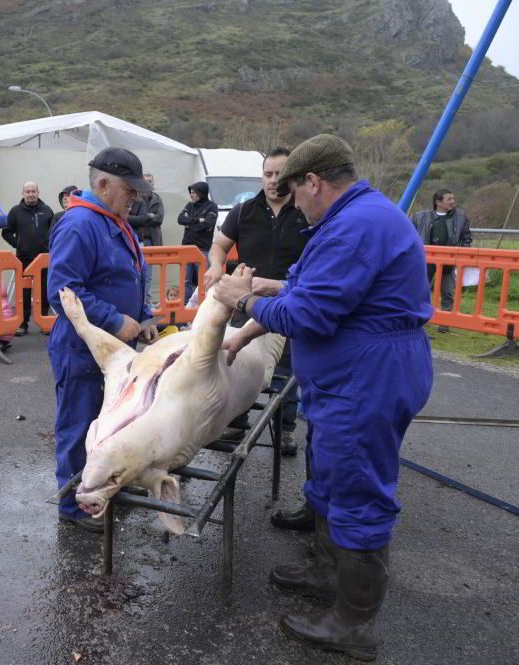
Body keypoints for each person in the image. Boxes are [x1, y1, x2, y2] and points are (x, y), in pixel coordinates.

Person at [213, 134, 433, 660]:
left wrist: (241, 297)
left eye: (294, 190)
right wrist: (249, 323)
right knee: (333, 469)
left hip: (366, 379)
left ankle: (353, 624)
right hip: (350, 377)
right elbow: (305, 286)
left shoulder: (354, 229)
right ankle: (326, 568)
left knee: (357, 487)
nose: (291, 201)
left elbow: (310, 313)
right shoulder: (354, 218)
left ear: (314, 181)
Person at [47, 148, 155, 533]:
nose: (136, 197)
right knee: (79, 425)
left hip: (113, 348)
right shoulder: (80, 225)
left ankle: (99, 491)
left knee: (107, 423)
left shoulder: (113, 220)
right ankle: (73, 505)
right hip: (82, 348)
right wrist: (113, 320)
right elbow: (62, 291)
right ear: (104, 184)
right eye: (130, 190)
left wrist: (143, 319)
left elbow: (131, 275)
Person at [210, 147, 309, 470]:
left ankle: (285, 428)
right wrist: (215, 266)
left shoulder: (306, 210)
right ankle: (235, 422)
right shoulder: (243, 210)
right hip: (246, 300)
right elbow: (219, 245)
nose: (273, 180)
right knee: (238, 359)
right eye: (268, 174)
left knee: (288, 370)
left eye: (280, 173)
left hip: (290, 299)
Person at [411, 188, 472, 333]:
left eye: (453, 198)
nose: (453, 201)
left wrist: (461, 254)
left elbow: (467, 237)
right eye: (449, 199)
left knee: (447, 292)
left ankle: (444, 324)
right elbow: (409, 236)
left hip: (449, 261)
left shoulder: (460, 217)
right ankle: (421, 320)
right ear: (438, 202)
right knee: (421, 291)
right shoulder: (420, 217)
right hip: (426, 261)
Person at [2, 181, 54, 336]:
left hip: (43, 259)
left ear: (38, 192)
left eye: (33, 191)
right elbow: (6, 232)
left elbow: (54, 232)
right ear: (23, 193)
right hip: (24, 259)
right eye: (28, 191)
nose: (31, 194)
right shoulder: (15, 211)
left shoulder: (47, 211)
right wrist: (18, 244)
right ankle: (23, 324)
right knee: (23, 293)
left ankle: (44, 322)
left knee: (44, 292)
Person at [177, 181, 218, 303]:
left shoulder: (212, 206)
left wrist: (190, 224)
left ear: (201, 192)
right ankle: (185, 306)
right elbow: (180, 219)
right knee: (185, 280)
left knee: (204, 279)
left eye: (194, 192)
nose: (191, 195)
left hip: (202, 249)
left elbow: (208, 223)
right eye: (191, 192)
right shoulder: (190, 205)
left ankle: (204, 304)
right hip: (186, 248)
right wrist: (197, 220)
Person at [127, 173, 165, 304]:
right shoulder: (133, 198)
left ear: (153, 183)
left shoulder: (157, 199)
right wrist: (146, 217)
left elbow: (159, 219)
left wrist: (142, 219)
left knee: (148, 273)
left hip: (151, 240)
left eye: (150, 181)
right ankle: (136, 299)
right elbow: (126, 218)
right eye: (145, 180)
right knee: (134, 271)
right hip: (136, 239)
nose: (148, 183)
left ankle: (146, 300)